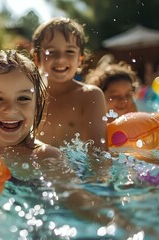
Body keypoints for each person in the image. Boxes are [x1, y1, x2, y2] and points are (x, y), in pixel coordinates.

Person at [0, 49, 159, 239]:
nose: (11, 109)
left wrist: (131, 229)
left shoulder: (45, 157)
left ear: (38, 106)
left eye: (23, 98)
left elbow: (81, 201)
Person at [31, 17, 108, 152]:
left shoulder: (90, 96)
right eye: (51, 52)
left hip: (78, 172)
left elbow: (98, 155)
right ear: (37, 58)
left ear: (80, 59)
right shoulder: (31, 99)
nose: (61, 58)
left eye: (70, 51)